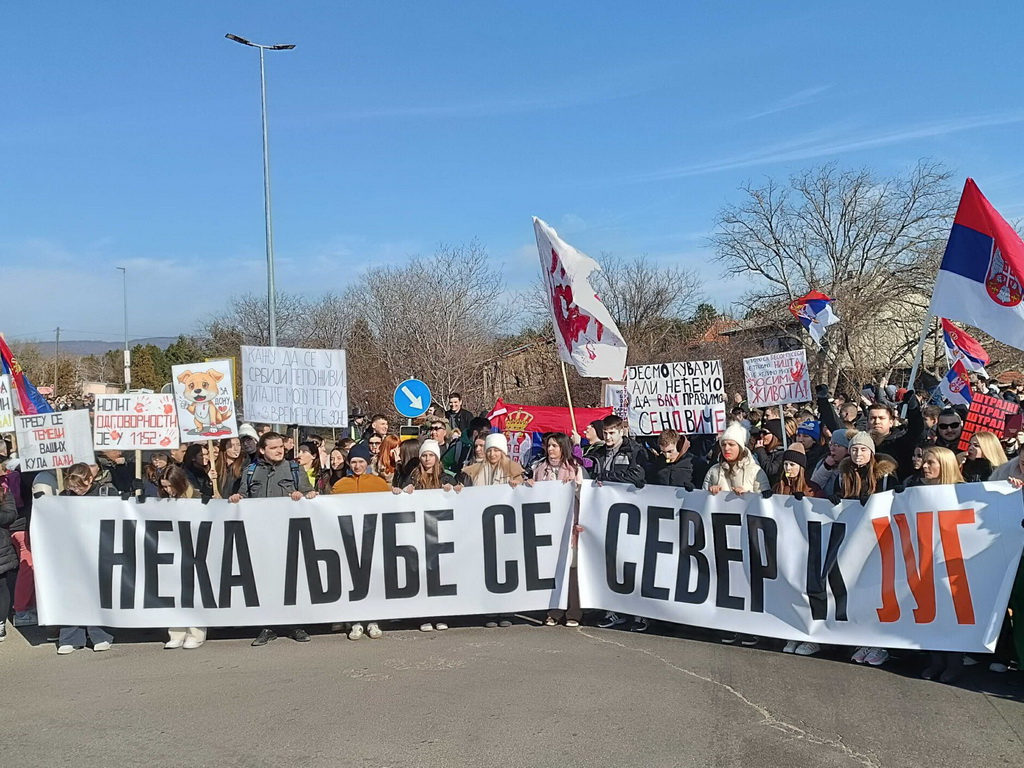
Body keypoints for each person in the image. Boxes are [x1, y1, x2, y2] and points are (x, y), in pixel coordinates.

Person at [228, 432, 316, 647]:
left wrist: (304, 495)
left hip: (288, 535)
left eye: (281, 447)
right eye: (274, 448)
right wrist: (238, 498)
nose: (279, 451)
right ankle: (267, 626)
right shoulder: (250, 471)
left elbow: (310, 494)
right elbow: (244, 497)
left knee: (292, 580)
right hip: (261, 537)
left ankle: (296, 624)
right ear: (262, 450)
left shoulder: (294, 469)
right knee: (264, 582)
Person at [837, 432, 898, 667]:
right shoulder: (844, 475)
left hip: (879, 539)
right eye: (853, 449)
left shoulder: (885, 477)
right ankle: (863, 639)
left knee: (877, 590)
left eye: (863, 450)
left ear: (872, 453)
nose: (858, 454)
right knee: (857, 589)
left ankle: (879, 644)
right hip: (853, 540)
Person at [392, 439, 457, 632]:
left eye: (431, 455)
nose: (428, 459)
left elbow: (461, 497)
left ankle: (441, 614)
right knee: (421, 575)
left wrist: (454, 491)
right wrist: (401, 492)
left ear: (437, 458)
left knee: (440, 575)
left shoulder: (446, 478)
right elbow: (399, 498)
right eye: (424, 455)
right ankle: (424, 615)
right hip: (418, 534)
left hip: (441, 535)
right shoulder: (412, 477)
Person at [917, 447, 968, 682]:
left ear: (945, 465)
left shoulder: (964, 492)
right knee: (931, 610)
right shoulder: (917, 491)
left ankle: (954, 664)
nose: (924, 466)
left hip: (955, 561)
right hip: (927, 559)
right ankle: (936, 662)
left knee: (953, 612)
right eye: (924, 462)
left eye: (930, 463)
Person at [526, 433, 586, 628]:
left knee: (571, 569)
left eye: (554, 446)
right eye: (548, 445)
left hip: (569, 527)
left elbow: (585, 497)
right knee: (552, 570)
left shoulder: (574, 469)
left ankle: (574, 612)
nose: (550, 449)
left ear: (563, 448)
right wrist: (529, 486)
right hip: (547, 527)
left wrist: (576, 489)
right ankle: (554, 611)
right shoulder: (539, 469)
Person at [329, 442, 387, 641]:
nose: (357, 466)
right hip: (348, 537)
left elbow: (391, 507)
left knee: (373, 579)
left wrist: (397, 494)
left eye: (361, 461)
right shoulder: (340, 485)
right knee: (351, 580)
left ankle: (373, 621)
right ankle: (355, 620)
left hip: (373, 537)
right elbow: (328, 510)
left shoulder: (379, 484)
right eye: (353, 462)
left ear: (367, 462)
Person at [55, 464, 115, 654]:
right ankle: (70, 636)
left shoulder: (106, 493)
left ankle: (99, 634)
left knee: (96, 593)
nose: (76, 491)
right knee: (73, 592)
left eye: (79, 487)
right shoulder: (65, 497)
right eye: (72, 488)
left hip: (99, 551)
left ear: (90, 479)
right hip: (72, 553)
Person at [156, 466, 208, 650]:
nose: (168, 490)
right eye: (164, 487)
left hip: (193, 550)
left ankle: (196, 632)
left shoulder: (196, 498)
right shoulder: (163, 500)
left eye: (170, 486)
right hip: (171, 550)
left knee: (192, 592)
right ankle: (176, 632)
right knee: (173, 592)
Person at [703, 423, 770, 496]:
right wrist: (710, 492)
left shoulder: (755, 471)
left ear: (740, 448)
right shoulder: (713, 471)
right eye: (723, 445)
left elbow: (764, 502)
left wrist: (748, 495)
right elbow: (702, 501)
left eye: (731, 444)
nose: (726, 448)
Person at [589, 415, 646, 489]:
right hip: (603, 497)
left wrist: (606, 477)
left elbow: (637, 475)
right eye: (605, 433)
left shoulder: (633, 450)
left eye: (612, 433)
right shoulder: (598, 453)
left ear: (621, 432)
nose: (608, 437)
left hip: (628, 497)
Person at [460, 433, 524, 487]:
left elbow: (521, 490)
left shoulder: (513, 469)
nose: (492, 454)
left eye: (496, 450)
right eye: (489, 451)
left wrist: (519, 484)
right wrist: (457, 488)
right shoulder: (474, 469)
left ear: (502, 452)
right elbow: (464, 488)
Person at [0, 464, 19, 644]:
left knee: (1, 585)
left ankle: (0, 624)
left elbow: (11, 515)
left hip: (1, 547)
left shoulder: (4, 492)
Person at [809, 429, 851, 498]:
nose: (832, 448)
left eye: (836, 445)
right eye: (831, 444)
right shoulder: (822, 462)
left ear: (847, 449)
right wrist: (826, 467)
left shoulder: (853, 466)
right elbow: (813, 488)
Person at [752, 420, 786, 485]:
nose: (761, 435)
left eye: (764, 433)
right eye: (760, 432)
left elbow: (770, 470)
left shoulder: (782, 453)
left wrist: (760, 450)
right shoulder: (763, 450)